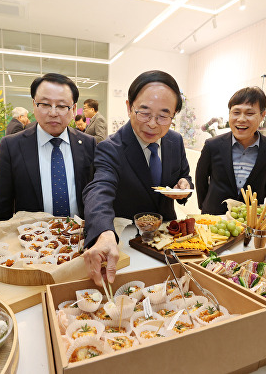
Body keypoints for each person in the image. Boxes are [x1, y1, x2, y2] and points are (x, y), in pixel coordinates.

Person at [82, 70, 192, 285]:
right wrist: (104, 233)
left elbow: (183, 175)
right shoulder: (110, 148)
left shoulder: (175, 141)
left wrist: (184, 186)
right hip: (128, 244)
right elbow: (99, 189)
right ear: (128, 107)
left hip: (167, 240)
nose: (153, 123)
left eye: (163, 115)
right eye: (144, 112)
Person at [0, 73, 95, 222]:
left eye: (61, 106)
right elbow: (1, 209)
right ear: (34, 105)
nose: (53, 113)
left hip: (79, 238)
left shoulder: (88, 144)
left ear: (73, 109)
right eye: (45, 104)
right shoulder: (12, 146)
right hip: (30, 241)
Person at [195, 86, 266, 215]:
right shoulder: (212, 145)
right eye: (236, 112)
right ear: (230, 114)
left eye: (249, 113)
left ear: (262, 115)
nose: (241, 119)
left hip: (249, 219)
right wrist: (204, 206)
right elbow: (201, 179)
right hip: (213, 216)